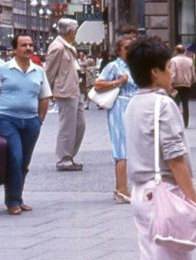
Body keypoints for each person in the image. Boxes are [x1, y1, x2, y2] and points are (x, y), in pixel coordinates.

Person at [124, 37, 196, 260]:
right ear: (155, 72)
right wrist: (194, 200)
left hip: (140, 193)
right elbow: (175, 157)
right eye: (168, 68)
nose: (172, 73)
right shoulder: (163, 104)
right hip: (164, 193)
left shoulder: (132, 103)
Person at [0, 35, 50, 215]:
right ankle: (12, 201)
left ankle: (18, 198)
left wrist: (39, 119)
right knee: (15, 156)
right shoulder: (3, 69)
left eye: (30, 45)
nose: (28, 48)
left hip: (31, 122)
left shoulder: (38, 71)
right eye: (23, 45)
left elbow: (44, 97)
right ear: (15, 49)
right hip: (7, 119)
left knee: (24, 162)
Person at [93, 35, 138, 203]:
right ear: (119, 50)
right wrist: (118, 82)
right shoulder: (114, 66)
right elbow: (98, 84)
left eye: (133, 47)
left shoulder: (136, 65)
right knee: (122, 148)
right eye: (127, 48)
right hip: (120, 107)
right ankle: (122, 188)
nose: (130, 51)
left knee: (134, 148)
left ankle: (126, 188)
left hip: (135, 108)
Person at [46, 18, 86, 171]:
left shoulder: (67, 46)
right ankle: (64, 158)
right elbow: (49, 71)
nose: (76, 33)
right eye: (75, 30)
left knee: (80, 125)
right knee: (67, 126)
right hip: (65, 91)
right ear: (70, 31)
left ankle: (69, 155)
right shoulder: (57, 47)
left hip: (74, 90)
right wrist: (46, 93)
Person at [170, 45, 195, 128]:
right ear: (184, 51)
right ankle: (186, 123)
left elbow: (173, 74)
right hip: (186, 85)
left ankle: (177, 122)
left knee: (176, 104)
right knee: (185, 104)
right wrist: (192, 81)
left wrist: (170, 84)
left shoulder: (173, 60)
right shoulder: (189, 60)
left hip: (176, 85)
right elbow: (193, 73)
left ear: (176, 51)